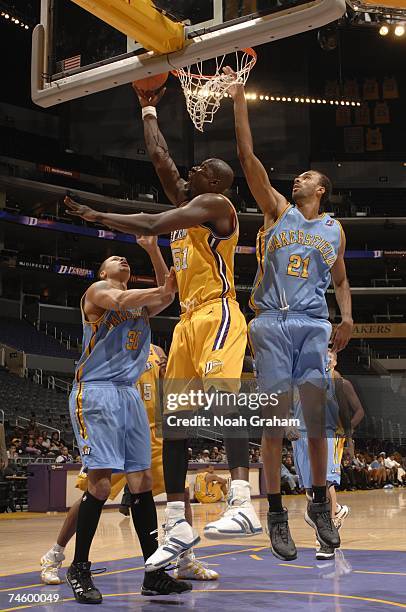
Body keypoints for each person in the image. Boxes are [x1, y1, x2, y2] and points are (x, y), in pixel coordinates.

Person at [65, 85, 261, 571]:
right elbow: (159, 157)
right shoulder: (188, 202)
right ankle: (176, 517)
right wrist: (148, 105)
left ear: (215, 181)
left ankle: (242, 500)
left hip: (217, 310)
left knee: (224, 396)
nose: (190, 171)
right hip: (186, 322)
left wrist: (100, 214)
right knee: (175, 424)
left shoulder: (216, 206)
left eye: (199, 170)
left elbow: (152, 223)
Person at [227, 68, 353, 561]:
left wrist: (346, 318)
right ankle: (276, 512)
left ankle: (319, 502)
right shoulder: (277, 210)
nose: (297, 178)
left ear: (320, 190)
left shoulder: (334, 231)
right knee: (275, 422)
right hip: (272, 321)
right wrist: (240, 101)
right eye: (297, 176)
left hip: (313, 324)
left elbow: (341, 279)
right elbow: (247, 158)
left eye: (307, 177)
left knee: (318, 423)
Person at [62, 234, 189, 604]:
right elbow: (124, 298)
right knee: (100, 485)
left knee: (142, 481)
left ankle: (154, 572)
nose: (122, 259)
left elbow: (168, 293)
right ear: (103, 272)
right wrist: (156, 291)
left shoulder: (139, 305)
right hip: (97, 391)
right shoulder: (98, 292)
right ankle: (78, 568)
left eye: (125, 259)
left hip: (129, 392)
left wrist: (152, 249)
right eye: (115, 259)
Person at [41, 344, 216, 586]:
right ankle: (54, 556)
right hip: (114, 429)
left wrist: (168, 374)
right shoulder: (113, 345)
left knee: (181, 493)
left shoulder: (156, 352)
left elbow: (169, 394)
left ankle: (185, 561)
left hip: (150, 434)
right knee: (90, 496)